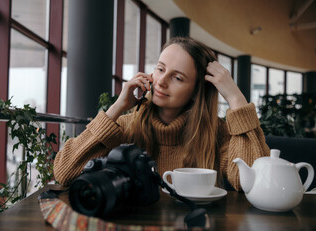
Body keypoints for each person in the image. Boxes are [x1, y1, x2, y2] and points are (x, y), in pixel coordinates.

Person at [54, 37, 270, 191]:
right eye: (160, 68)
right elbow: (65, 172)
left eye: (177, 78)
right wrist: (116, 108)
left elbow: (252, 182)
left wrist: (236, 99)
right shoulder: (126, 126)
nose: (162, 81)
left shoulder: (216, 133)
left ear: (196, 92)